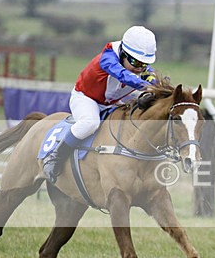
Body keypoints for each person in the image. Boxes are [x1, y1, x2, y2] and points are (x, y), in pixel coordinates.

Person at [42, 25, 159, 183]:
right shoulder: (108, 58)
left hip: (111, 101)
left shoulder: (137, 62)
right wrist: (146, 86)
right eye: (134, 62)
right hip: (86, 98)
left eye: (143, 64)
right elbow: (122, 75)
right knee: (90, 123)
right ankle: (55, 157)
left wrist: (153, 83)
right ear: (123, 53)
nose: (138, 68)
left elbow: (150, 74)